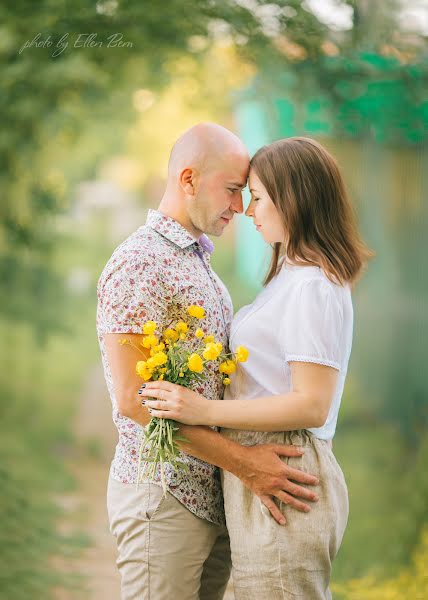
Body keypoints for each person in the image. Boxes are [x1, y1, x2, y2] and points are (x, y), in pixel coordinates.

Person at [140, 136, 374, 599]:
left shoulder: (313, 286)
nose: (248, 211)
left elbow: (311, 404)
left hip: (285, 466)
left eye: (259, 198)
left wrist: (203, 411)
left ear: (295, 199)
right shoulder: (290, 274)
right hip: (261, 464)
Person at [96, 125, 320, 600]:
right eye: (234, 191)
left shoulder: (197, 261)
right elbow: (136, 402)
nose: (240, 208)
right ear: (189, 179)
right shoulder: (141, 262)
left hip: (209, 496)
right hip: (163, 495)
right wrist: (245, 463)